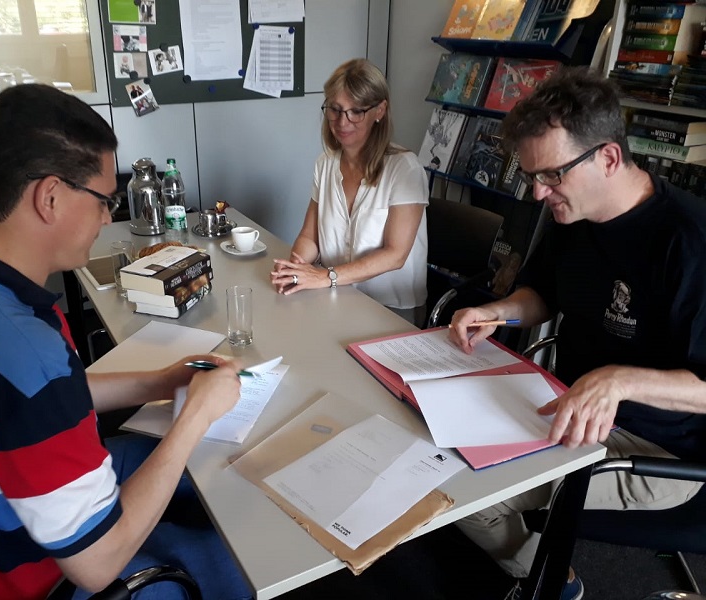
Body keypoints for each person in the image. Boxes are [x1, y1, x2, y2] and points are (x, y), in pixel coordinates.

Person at [0, 84, 251, 600]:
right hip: (29, 579)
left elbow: (44, 399)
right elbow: (97, 564)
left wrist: (164, 380)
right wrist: (194, 416)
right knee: (242, 554)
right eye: (104, 201)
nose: (108, 218)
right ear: (49, 197)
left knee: (191, 464)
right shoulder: (24, 355)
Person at [448, 67, 706, 600]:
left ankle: (553, 585)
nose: (539, 193)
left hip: (662, 449)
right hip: (563, 405)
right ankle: (545, 572)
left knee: (470, 495)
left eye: (551, 176)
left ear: (608, 157)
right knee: (440, 455)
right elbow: (543, 292)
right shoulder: (574, 214)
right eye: (532, 177)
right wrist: (501, 311)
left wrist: (618, 380)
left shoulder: (689, 243)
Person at [270, 58, 429, 326]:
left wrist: (323, 277)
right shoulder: (326, 163)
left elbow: (395, 255)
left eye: (356, 111)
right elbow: (310, 237)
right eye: (335, 109)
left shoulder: (405, 168)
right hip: (338, 295)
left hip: (389, 308)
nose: (342, 121)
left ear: (380, 111)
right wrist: (294, 268)